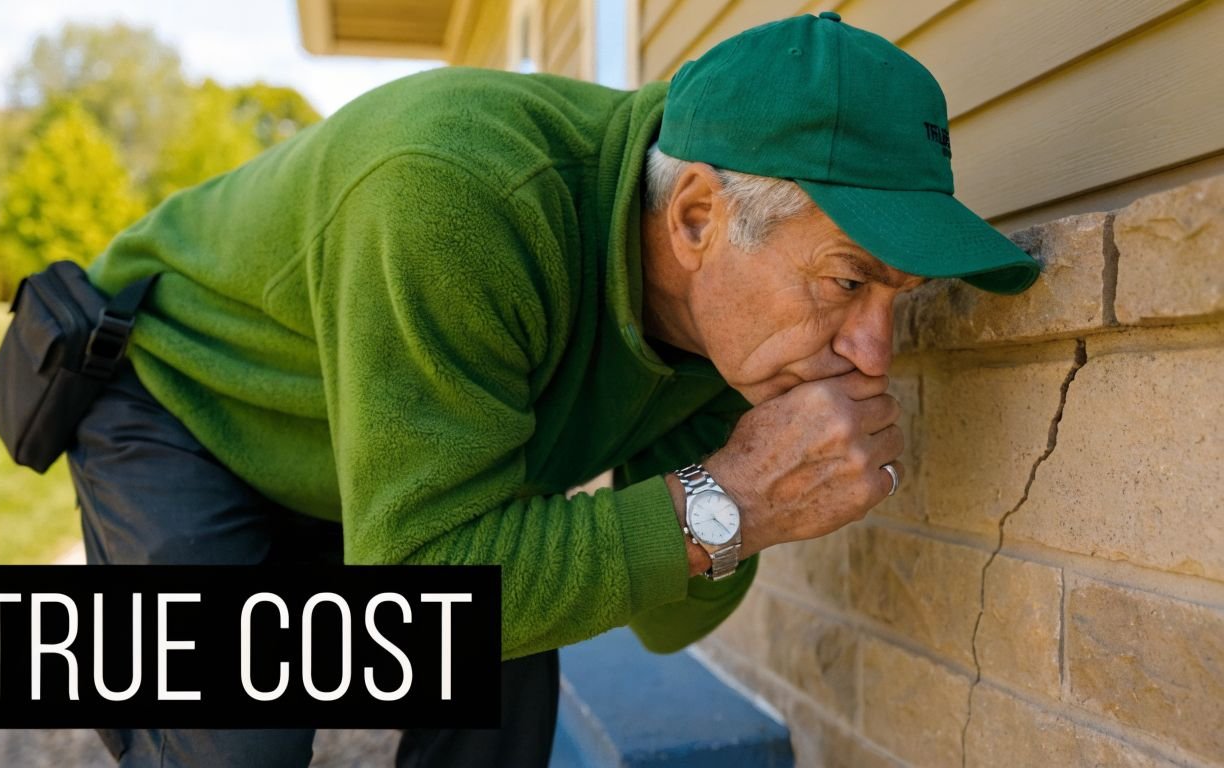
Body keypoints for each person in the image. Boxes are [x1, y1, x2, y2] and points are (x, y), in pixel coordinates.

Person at [71, 11, 1038, 768]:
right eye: (846, 280)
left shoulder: (731, 332)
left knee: (501, 692)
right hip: (187, 399)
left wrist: (749, 507)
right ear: (699, 217)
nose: (873, 354)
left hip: (381, 461)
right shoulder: (459, 196)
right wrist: (731, 501)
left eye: (896, 296)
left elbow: (668, 618)